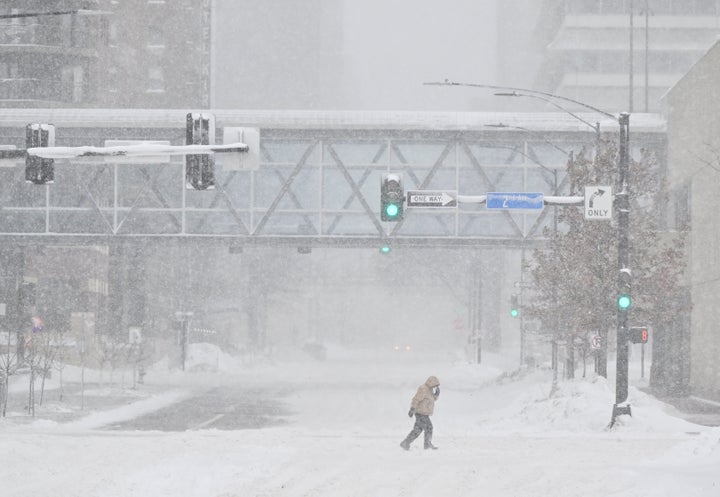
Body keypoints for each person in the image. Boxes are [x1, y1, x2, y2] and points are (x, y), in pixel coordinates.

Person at [400, 375, 440, 450]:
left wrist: (436, 394)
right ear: (431, 382)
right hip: (421, 413)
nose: (435, 387)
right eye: (435, 385)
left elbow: (431, 400)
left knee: (417, 430)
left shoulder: (429, 390)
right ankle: (427, 444)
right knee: (429, 427)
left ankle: (405, 443)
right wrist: (412, 408)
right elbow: (416, 399)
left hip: (424, 413)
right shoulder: (423, 389)